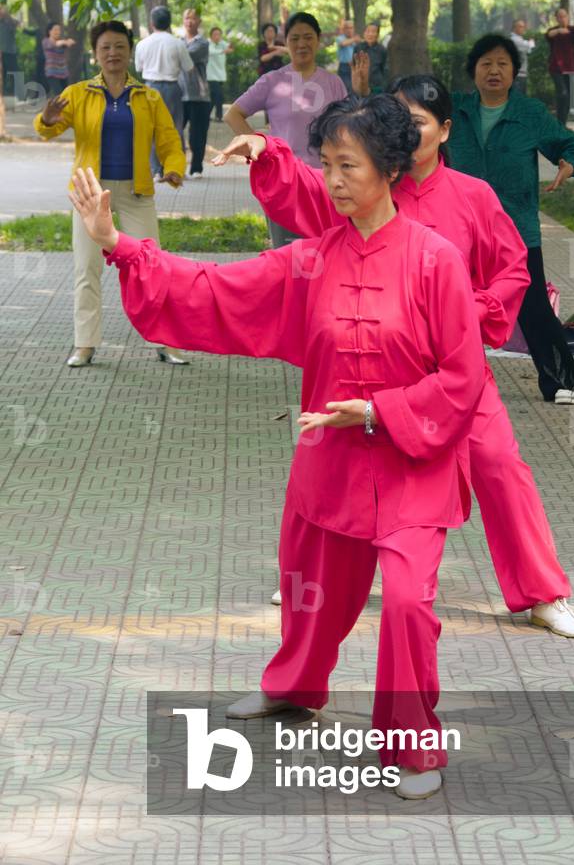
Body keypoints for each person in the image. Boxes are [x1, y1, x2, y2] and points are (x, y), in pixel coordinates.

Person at [69, 94, 489, 800]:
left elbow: (463, 375)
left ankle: (412, 745)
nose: (334, 180)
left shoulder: (435, 260)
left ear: (390, 167)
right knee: (309, 593)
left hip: (413, 465)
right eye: (326, 165)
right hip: (330, 463)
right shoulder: (310, 260)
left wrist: (380, 410)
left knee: (408, 605)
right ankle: (294, 686)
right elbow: (214, 289)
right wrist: (119, 244)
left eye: (349, 165)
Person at [220, 74, 574, 640]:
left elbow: (512, 268)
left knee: (499, 465)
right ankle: (311, 579)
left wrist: (473, 311)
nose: (403, 131)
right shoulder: (366, 187)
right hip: (366, 364)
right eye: (394, 120)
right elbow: (308, 185)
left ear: (444, 130)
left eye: (416, 122)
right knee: (328, 460)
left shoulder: (473, 196)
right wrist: (265, 150)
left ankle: (543, 592)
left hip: (454, 373)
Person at [33, 19, 188, 367]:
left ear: (130, 51)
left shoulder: (148, 97)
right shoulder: (77, 93)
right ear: (95, 54)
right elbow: (49, 129)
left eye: (119, 46)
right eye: (105, 47)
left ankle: (166, 342)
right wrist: (47, 118)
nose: (113, 53)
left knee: (152, 266)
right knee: (86, 267)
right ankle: (85, 344)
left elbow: (168, 139)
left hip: (136, 192)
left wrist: (174, 167)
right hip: (91, 195)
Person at [447, 34, 574, 404]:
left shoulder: (530, 113)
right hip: (459, 229)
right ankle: (447, 382)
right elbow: (407, 109)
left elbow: (568, 144)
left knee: (533, 306)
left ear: (513, 72)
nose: (494, 70)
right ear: (473, 71)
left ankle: (561, 382)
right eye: (486, 63)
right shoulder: (455, 110)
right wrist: (364, 90)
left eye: (502, 64)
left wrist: (568, 164)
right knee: (448, 304)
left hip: (516, 230)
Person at [223, 11, 347, 247]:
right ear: (286, 42)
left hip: (327, 183)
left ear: (318, 40)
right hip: (287, 182)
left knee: (329, 251)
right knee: (289, 255)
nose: (302, 44)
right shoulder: (273, 81)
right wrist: (261, 150)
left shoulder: (334, 83)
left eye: (308, 37)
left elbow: (347, 130)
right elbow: (233, 114)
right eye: (295, 38)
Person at [134, 6, 194, 179]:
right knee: (175, 128)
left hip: (150, 87)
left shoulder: (143, 44)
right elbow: (189, 67)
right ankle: (176, 169)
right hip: (172, 88)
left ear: (151, 23)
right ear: (169, 23)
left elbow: (138, 68)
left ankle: (156, 170)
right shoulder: (177, 43)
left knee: (152, 128)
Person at [179, 9, 210, 179]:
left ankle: (196, 168)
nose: (189, 21)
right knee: (175, 132)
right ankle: (178, 167)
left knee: (197, 135)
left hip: (199, 95)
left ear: (199, 21)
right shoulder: (178, 41)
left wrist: (173, 50)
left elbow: (186, 56)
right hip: (179, 95)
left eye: (193, 18)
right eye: (186, 18)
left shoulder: (202, 43)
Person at [546, 8, 574, 125]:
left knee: (568, 97)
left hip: (570, 68)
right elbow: (549, 35)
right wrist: (559, 31)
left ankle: (562, 124)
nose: (562, 18)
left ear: (568, 17)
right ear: (556, 18)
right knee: (562, 94)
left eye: (564, 16)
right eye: (560, 16)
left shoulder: (572, 30)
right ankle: (560, 123)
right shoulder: (553, 31)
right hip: (556, 68)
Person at [42, 22, 76, 97]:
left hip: (63, 73)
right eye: (55, 30)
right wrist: (66, 42)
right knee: (59, 95)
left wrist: (68, 42)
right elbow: (55, 44)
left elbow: (70, 43)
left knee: (67, 94)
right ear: (49, 31)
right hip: (52, 73)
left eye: (59, 30)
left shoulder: (62, 43)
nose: (57, 32)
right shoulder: (46, 41)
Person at [207, 26, 233, 122]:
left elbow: (230, 47)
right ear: (211, 36)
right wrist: (224, 51)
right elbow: (212, 52)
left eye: (219, 34)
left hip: (220, 76)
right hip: (211, 76)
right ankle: (219, 116)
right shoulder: (208, 44)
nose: (217, 36)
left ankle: (206, 115)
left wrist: (230, 39)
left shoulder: (222, 43)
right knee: (219, 95)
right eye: (215, 34)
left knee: (214, 98)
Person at [354, 22, 388, 93]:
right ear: (364, 33)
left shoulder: (382, 50)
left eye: (373, 31)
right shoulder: (358, 47)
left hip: (377, 85)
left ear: (377, 34)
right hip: (361, 84)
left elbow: (384, 68)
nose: (370, 34)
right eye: (368, 31)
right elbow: (354, 66)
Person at [509, 18, 535, 95]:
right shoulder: (514, 39)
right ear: (514, 28)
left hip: (522, 73)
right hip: (517, 75)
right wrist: (531, 42)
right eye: (520, 26)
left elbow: (528, 50)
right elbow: (529, 46)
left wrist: (529, 44)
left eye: (523, 26)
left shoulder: (519, 39)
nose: (523, 28)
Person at [335, 19, 360, 93]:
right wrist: (354, 39)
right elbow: (343, 43)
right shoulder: (340, 38)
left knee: (356, 89)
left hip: (355, 67)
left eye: (351, 28)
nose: (349, 30)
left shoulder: (357, 40)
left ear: (354, 29)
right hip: (344, 67)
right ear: (344, 29)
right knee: (346, 89)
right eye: (347, 28)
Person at [0, 5, 19, 99]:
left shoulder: (9, 21)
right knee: (1, 75)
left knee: (16, 73)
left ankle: (19, 95)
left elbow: (16, 24)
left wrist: (7, 15)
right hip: (1, 53)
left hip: (10, 52)